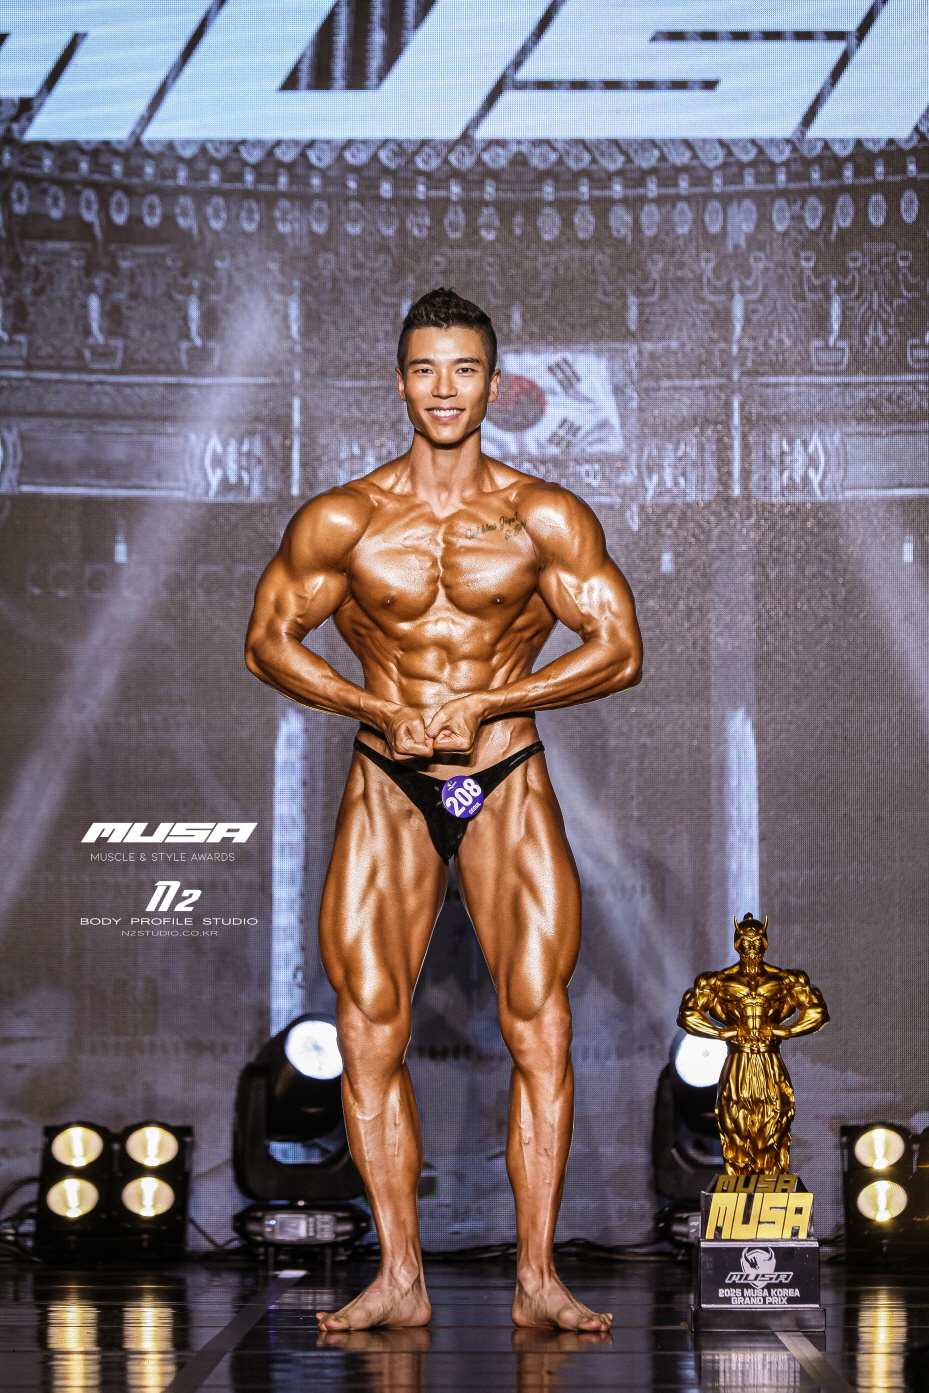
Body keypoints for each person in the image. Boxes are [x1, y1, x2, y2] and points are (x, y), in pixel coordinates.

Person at [245, 288, 642, 1331]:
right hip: (388, 776)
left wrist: (493, 701)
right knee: (366, 1023)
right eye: (425, 368)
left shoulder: (541, 515)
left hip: (501, 774)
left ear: (493, 384)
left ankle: (537, 1279)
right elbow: (267, 641)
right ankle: (400, 1277)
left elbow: (618, 650)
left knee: (538, 1023)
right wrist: (375, 706)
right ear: (399, 381)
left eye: (463, 369)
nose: (444, 388)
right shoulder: (344, 517)